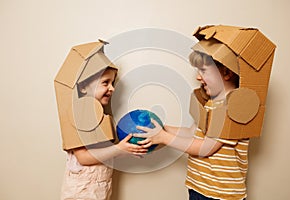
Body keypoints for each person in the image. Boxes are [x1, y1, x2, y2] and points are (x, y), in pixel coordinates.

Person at [134, 51, 248, 200]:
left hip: (220, 194)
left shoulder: (231, 107)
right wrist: (162, 128)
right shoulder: (212, 104)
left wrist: (164, 137)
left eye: (203, 71)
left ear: (226, 73)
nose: (198, 77)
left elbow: (205, 148)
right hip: (200, 188)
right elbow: (191, 132)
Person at [56, 42, 148, 200]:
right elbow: (84, 157)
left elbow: (104, 153)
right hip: (82, 191)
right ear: (83, 87)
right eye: (105, 83)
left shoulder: (101, 118)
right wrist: (118, 149)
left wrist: (127, 150)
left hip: (101, 188)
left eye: (112, 83)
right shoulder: (78, 115)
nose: (112, 88)